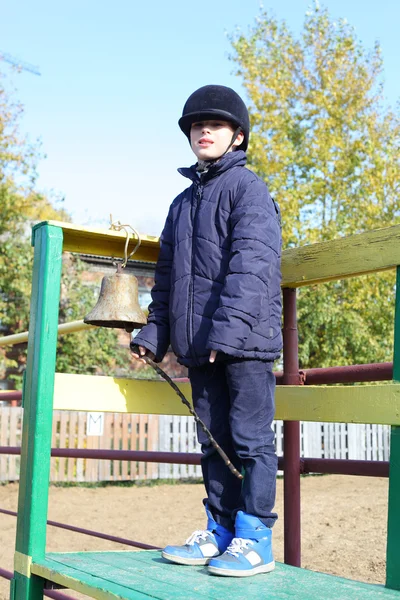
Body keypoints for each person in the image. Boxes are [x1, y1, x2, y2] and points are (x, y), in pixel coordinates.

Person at [131, 84, 282, 577]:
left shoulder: (248, 189)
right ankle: (220, 531)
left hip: (244, 345)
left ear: (237, 137)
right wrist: (156, 334)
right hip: (200, 348)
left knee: (249, 439)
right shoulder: (181, 205)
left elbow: (253, 267)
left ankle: (256, 536)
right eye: (197, 125)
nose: (204, 130)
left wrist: (229, 334)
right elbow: (168, 279)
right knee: (212, 440)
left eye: (215, 124)